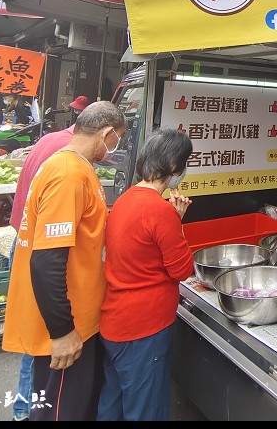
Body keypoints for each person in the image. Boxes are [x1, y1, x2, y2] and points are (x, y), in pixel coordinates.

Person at [1, 101, 126, 421]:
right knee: (59, 413)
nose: (117, 146)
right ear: (107, 133)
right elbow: (46, 261)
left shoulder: (74, 166)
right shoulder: (68, 175)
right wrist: (62, 331)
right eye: (118, 138)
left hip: (79, 321)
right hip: (66, 329)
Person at [98, 128, 195, 421]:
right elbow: (182, 269)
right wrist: (176, 221)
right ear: (174, 167)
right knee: (145, 409)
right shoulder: (159, 210)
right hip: (144, 329)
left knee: (112, 400)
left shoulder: (126, 199)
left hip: (115, 321)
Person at [4, 108, 80, 422]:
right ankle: (26, 409)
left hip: (23, 237)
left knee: (33, 332)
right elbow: (49, 258)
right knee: (42, 337)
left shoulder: (49, 141)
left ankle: (25, 406)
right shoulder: (69, 161)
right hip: (40, 246)